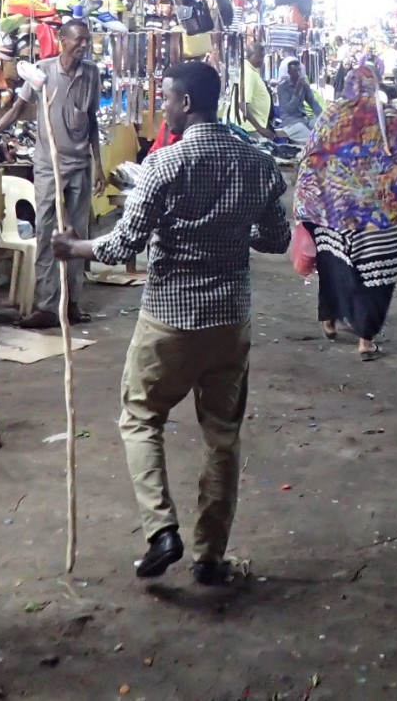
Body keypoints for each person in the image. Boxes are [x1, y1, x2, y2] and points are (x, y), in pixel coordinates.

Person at [51, 61, 290, 586]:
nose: (164, 108)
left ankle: (162, 530)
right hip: (230, 318)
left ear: (185, 103)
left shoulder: (164, 165)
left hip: (169, 319)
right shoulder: (259, 163)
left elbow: (123, 245)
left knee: (140, 418)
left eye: (168, 99)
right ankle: (210, 556)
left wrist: (75, 248)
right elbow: (276, 239)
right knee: (222, 436)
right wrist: (230, 228)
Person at [295, 65, 397, 359]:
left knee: (334, 268)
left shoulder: (331, 116)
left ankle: (329, 321)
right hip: (377, 217)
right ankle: (365, 341)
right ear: (376, 86)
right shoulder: (390, 119)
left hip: (332, 215)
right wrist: (392, 182)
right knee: (375, 278)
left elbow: (309, 160)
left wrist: (306, 204)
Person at [0, 17, 102, 327]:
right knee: (46, 232)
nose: (84, 46)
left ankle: (72, 303)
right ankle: (47, 306)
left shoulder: (92, 73)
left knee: (76, 236)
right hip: (49, 166)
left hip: (80, 165)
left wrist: (98, 163)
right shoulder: (42, 71)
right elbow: (16, 109)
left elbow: (92, 120)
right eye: (79, 40)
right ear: (62, 40)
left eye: (87, 40)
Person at [226, 38, 277, 140]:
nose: (262, 60)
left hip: (252, 127)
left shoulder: (251, 70)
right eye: (259, 57)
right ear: (249, 56)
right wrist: (260, 129)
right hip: (249, 128)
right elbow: (242, 104)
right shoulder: (248, 73)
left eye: (263, 56)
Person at [273, 57, 322, 141]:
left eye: (299, 70)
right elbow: (289, 110)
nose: (299, 74)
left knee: (320, 128)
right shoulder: (282, 87)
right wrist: (297, 91)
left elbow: (313, 102)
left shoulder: (304, 85)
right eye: (295, 71)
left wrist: (322, 117)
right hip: (290, 122)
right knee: (312, 140)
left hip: (304, 118)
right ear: (289, 73)